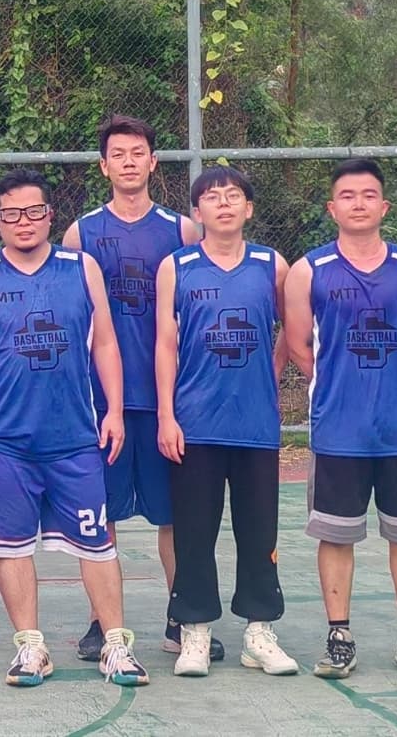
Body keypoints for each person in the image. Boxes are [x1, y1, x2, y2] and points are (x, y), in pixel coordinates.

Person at [0, 167, 149, 689]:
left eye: (34, 211)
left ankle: (115, 644)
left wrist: (115, 410)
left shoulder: (81, 268)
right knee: (11, 545)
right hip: (5, 440)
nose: (24, 221)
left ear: (50, 215)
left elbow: (105, 342)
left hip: (74, 437)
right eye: (12, 213)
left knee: (97, 542)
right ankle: (30, 647)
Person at [283, 157, 397, 680]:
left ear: (384, 206)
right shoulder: (310, 270)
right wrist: (340, 383)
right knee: (336, 535)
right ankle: (339, 637)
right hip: (339, 428)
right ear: (332, 208)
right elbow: (299, 344)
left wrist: (386, 379)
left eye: (369, 194)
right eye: (348, 195)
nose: (359, 203)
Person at [63, 114, 208, 662]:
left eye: (137, 152)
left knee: (175, 517)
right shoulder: (80, 234)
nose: (128, 161)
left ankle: (182, 616)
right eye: (118, 154)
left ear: (153, 161)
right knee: (101, 518)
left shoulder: (182, 231)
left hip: (169, 402)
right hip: (105, 404)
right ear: (104, 166)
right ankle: (103, 622)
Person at [154, 165, 299, 677]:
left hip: (255, 423)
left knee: (258, 530)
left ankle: (259, 631)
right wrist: (166, 414)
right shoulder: (176, 266)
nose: (223, 204)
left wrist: (272, 368)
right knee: (194, 532)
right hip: (195, 423)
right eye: (212, 197)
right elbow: (165, 344)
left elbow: (292, 328)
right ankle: (194, 631)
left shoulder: (271, 264)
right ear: (197, 212)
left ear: (248, 208)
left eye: (233, 195)